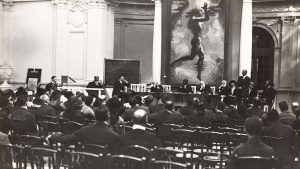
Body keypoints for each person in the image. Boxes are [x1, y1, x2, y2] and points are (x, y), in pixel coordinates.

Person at [50, 106, 119, 149]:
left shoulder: (84, 130)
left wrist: (53, 135)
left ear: (95, 116)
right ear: (108, 117)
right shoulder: (114, 136)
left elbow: (68, 139)